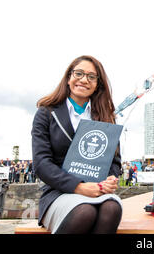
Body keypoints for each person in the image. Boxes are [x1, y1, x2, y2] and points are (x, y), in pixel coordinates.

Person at [32, 55, 123, 234]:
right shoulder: (47, 113)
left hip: (97, 190)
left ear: (98, 84)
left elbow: (115, 161)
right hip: (59, 192)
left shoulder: (106, 116)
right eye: (79, 73)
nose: (84, 80)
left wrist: (109, 181)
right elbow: (41, 163)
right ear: (68, 78)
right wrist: (77, 187)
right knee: (85, 212)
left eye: (91, 76)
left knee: (111, 208)